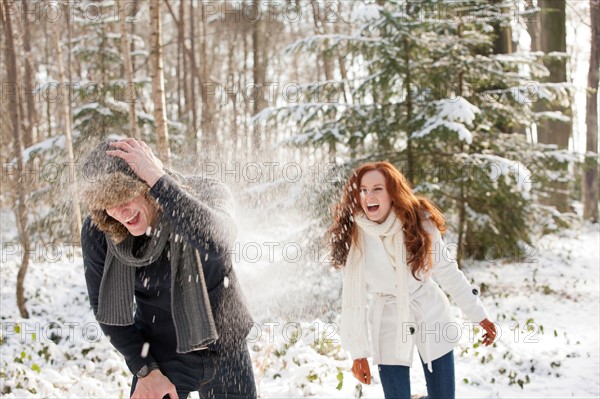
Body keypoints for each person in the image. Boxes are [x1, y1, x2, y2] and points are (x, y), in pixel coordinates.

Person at [80, 138, 257, 399]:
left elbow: (219, 242)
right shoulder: (101, 231)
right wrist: (145, 370)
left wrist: (159, 181)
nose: (120, 211)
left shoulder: (205, 191)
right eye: (108, 202)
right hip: (162, 356)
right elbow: (106, 311)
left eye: (124, 195)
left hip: (227, 348)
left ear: (146, 185)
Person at [329, 161, 496, 399]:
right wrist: (358, 353)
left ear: (392, 192)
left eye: (377, 188)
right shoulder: (355, 235)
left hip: (430, 311)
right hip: (386, 319)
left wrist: (479, 315)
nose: (369, 196)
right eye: (363, 190)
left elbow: (447, 271)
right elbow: (352, 300)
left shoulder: (420, 223)